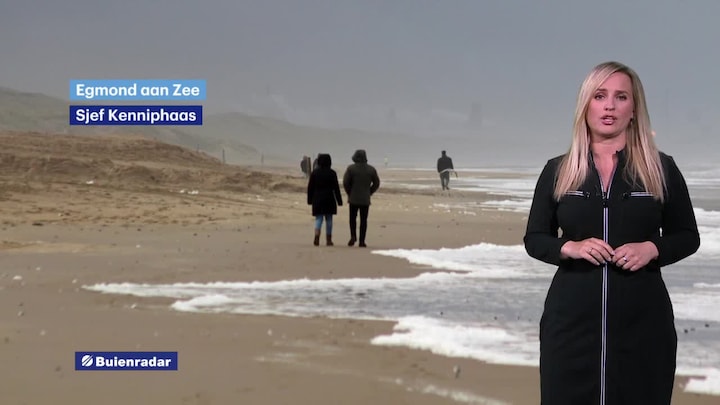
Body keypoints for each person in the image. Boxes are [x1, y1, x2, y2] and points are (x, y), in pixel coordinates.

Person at [523, 61, 700, 404]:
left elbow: (687, 235)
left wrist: (652, 249)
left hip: (644, 326)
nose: (609, 106)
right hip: (569, 326)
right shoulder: (558, 170)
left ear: (634, 109)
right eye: (600, 96)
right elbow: (535, 238)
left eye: (621, 97)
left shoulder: (661, 168)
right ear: (586, 105)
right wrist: (569, 248)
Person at [343, 149, 380, 247]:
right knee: (363, 220)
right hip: (365, 199)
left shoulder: (351, 169)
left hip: (353, 198)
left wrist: (349, 192)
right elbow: (376, 183)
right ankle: (362, 241)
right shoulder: (371, 169)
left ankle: (353, 236)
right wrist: (370, 191)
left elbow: (345, 183)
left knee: (352, 219)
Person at [307, 153, 343, 246]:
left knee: (318, 218)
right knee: (329, 219)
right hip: (329, 198)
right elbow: (336, 188)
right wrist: (339, 201)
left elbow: (310, 188)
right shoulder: (332, 173)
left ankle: (317, 236)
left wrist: (309, 200)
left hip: (317, 198)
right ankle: (328, 239)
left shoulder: (315, 173)